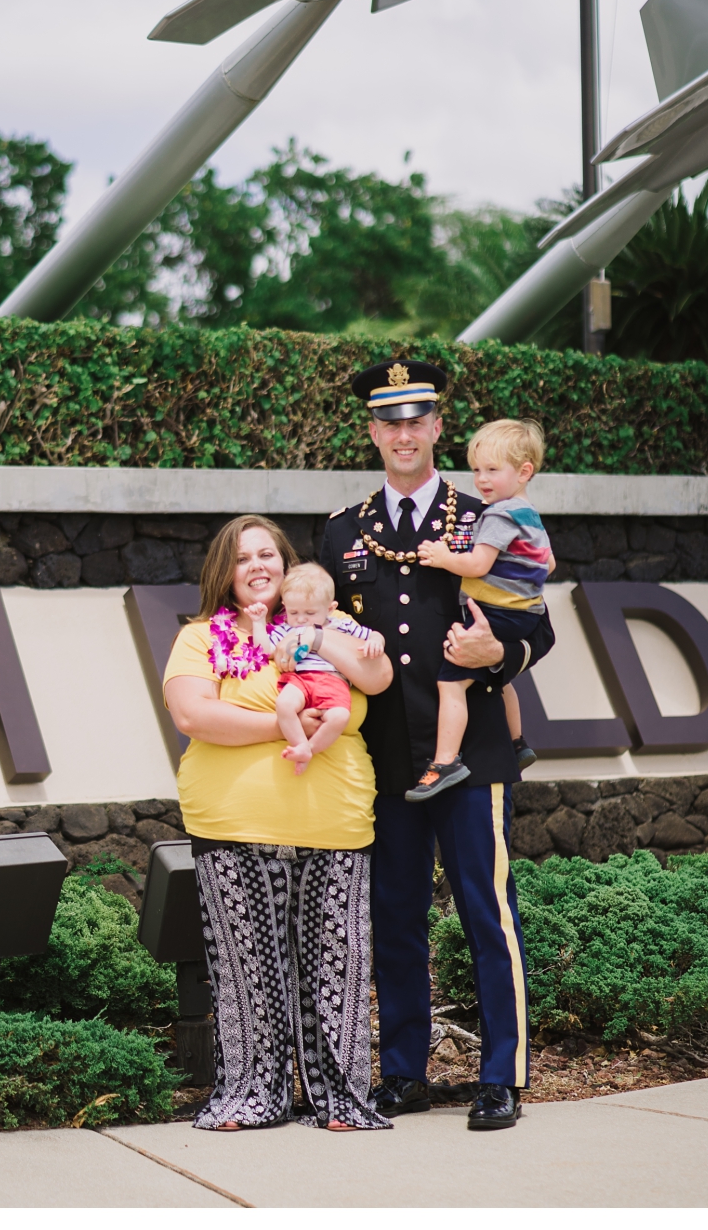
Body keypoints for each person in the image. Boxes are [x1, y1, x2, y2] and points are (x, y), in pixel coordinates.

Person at [316, 360, 555, 1131]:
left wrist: (502, 656)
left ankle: (501, 1074)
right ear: (373, 431)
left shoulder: (486, 509)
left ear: (438, 428)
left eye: (417, 419)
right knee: (395, 914)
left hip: (472, 748)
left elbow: (534, 618)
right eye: (390, 421)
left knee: (488, 911)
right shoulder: (340, 530)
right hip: (387, 756)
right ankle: (404, 1071)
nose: (404, 433)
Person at [161, 515, 394, 1132]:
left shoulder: (335, 631)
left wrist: (316, 636)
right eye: (243, 559)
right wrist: (288, 729)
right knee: (246, 973)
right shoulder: (200, 637)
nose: (258, 566)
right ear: (224, 573)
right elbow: (193, 714)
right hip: (234, 822)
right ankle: (250, 1096)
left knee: (337, 969)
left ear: (289, 567)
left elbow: (377, 677)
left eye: (269, 554)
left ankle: (342, 1100)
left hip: (336, 820)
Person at [413, 418, 555, 795]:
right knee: (499, 677)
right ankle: (518, 742)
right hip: (527, 612)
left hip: (496, 614)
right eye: (477, 470)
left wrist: (442, 556)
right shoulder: (530, 514)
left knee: (450, 682)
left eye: (492, 470)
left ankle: (445, 761)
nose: (481, 480)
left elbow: (477, 565)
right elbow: (550, 565)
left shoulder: (498, 513)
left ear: (524, 471)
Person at [271, 562, 386, 775]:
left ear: (330, 609)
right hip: (301, 678)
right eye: (293, 612)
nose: (301, 619)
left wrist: (376, 642)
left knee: (340, 716)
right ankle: (299, 744)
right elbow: (266, 648)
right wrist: (259, 623)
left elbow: (372, 635)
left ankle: (310, 749)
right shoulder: (287, 628)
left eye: (310, 612)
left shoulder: (340, 625)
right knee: (284, 705)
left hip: (333, 681)